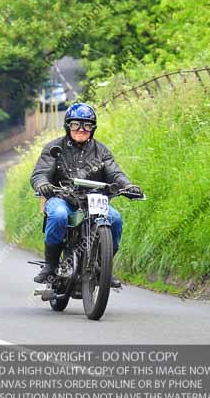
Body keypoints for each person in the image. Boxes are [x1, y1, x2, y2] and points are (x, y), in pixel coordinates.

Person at [30, 102, 143, 287]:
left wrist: (128, 186)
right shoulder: (54, 148)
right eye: (76, 124)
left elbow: (115, 173)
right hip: (62, 197)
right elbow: (40, 172)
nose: (81, 129)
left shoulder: (102, 151)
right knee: (58, 215)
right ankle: (50, 266)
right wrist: (42, 184)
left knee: (115, 219)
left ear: (93, 128)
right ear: (68, 126)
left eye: (87, 125)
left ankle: (102, 267)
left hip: (94, 200)